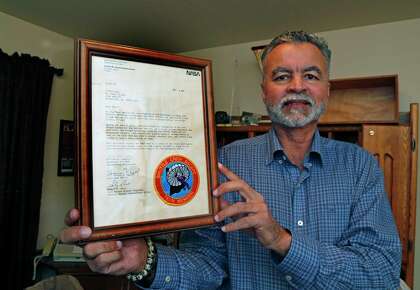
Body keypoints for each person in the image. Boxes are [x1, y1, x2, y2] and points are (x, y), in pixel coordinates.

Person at [61, 31, 401, 289]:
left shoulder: (361, 167)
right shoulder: (223, 164)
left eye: (311, 76)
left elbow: (381, 274)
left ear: (327, 89)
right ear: (264, 91)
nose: (297, 86)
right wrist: (144, 260)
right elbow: (207, 267)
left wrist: (281, 241)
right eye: (282, 76)